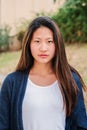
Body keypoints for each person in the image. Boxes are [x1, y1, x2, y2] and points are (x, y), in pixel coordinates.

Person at [0, 16, 87, 130]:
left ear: (57, 45)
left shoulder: (71, 81)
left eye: (49, 41)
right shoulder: (12, 83)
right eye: (37, 41)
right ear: (28, 44)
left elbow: (81, 125)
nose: (43, 48)